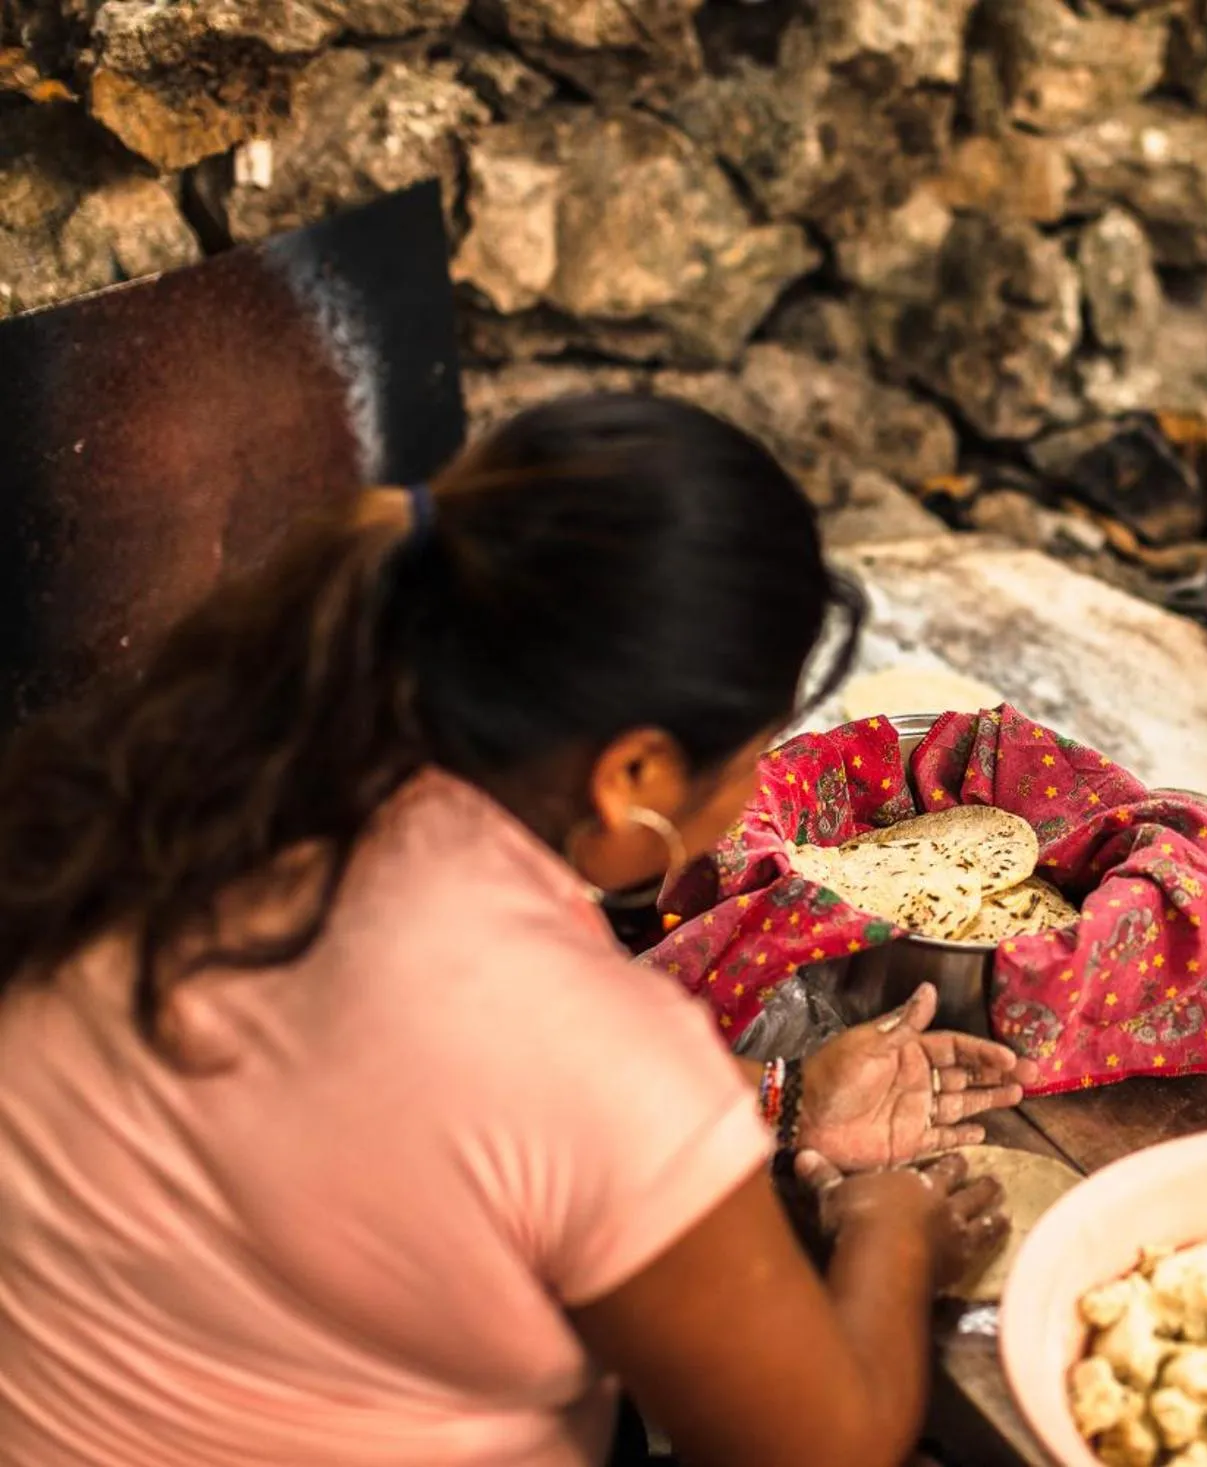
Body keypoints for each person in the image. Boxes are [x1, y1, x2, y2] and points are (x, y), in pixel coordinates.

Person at [0, 394, 1037, 1467]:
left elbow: (414, 1116)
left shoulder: (200, 773)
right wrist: (888, 1234)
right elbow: (825, 1446)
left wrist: (784, 1099)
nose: (750, 799)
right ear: (631, 774)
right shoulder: (591, 1055)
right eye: (751, 756)